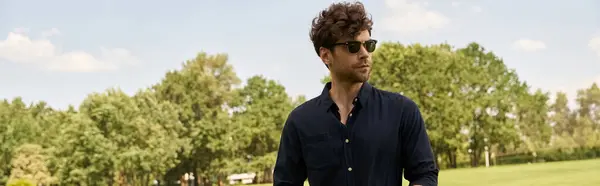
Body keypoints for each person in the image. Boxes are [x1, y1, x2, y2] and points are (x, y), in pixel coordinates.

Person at [273, 2, 439, 186]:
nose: (364, 54)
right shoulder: (300, 121)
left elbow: (424, 175)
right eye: (352, 47)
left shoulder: (402, 111)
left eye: (369, 45)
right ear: (326, 55)